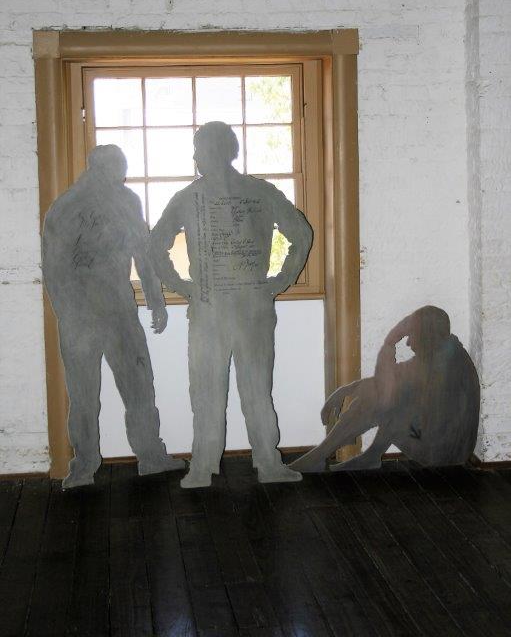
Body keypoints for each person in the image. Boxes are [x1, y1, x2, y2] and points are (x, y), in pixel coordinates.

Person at [150, 121, 313, 487]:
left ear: (215, 152)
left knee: (229, 391)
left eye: (199, 150)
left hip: (228, 308)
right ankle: (235, 465)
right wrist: (183, 287)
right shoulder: (253, 192)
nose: (195, 157)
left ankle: (233, 466)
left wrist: (183, 287)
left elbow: (302, 235)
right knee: (239, 390)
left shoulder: (203, 195)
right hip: (231, 307)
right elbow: (155, 246)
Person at [42, 144, 185, 488]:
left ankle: (129, 460)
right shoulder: (88, 204)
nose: (122, 174)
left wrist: (155, 300)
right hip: (96, 313)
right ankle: (96, 464)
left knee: (123, 388)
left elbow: (142, 253)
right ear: (102, 168)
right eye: (119, 167)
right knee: (100, 392)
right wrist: (68, 313)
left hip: (103, 312)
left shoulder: (92, 203)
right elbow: (54, 268)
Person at [291, 306, 480, 472]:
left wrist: (390, 342)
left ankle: (335, 458)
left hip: (442, 453)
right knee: (381, 398)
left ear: (426, 334)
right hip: (435, 441)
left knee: (386, 402)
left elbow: (388, 386)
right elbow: (391, 379)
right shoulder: (442, 352)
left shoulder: (445, 364)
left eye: (411, 334)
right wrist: (346, 390)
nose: (407, 342)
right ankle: (358, 457)